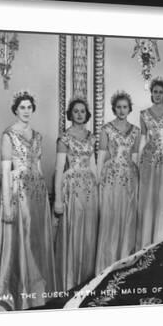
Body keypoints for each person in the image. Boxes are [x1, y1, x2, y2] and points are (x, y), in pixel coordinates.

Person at [0, 90, 55, 312]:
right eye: (22, 107)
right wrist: (7, 206)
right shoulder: (8, 135)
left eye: (29, 107)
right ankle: (11, 293)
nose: (26, 111)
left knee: (34, 243)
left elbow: (39, 168)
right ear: (15, 109)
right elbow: (6, 171)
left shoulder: (38, 136)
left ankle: (34, 294)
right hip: (16, 193)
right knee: (16, 242)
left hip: (36, 195)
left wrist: (45, 201)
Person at [54, 97, 99, 290]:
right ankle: (70, 281)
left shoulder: (91, 137)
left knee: (89, 232)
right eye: (76, 111)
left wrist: (99, 188)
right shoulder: (64, 138)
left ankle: (86, 280)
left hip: (90, 188)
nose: (79, 114)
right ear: (70, 114)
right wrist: (57, 200)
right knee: (73, 230)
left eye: (82, 111)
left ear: (86, 114)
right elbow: (58, 169)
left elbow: (94, 165)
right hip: (71, 188)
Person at [95, 91, 140, 274]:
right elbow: (101, 157)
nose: (122, 110)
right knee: (111, 218)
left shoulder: (136, 130)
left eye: (125, 107)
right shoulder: (106, 129)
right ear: (114, 109)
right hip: (111, 178)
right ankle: (107, 265)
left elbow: (136, 158)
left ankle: (124, 264)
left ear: (129, 109)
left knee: (128, 219)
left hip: (130, 178)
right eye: (119, 107)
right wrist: (97, 180)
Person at [136, 76, 163, 249]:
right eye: (155, 92)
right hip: (150, 159)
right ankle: (148, 240)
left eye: (161, 92)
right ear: (151, 94)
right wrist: (138, 159)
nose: (158, 95)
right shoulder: (144, 114)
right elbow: (143, 139)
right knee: (150, 198)